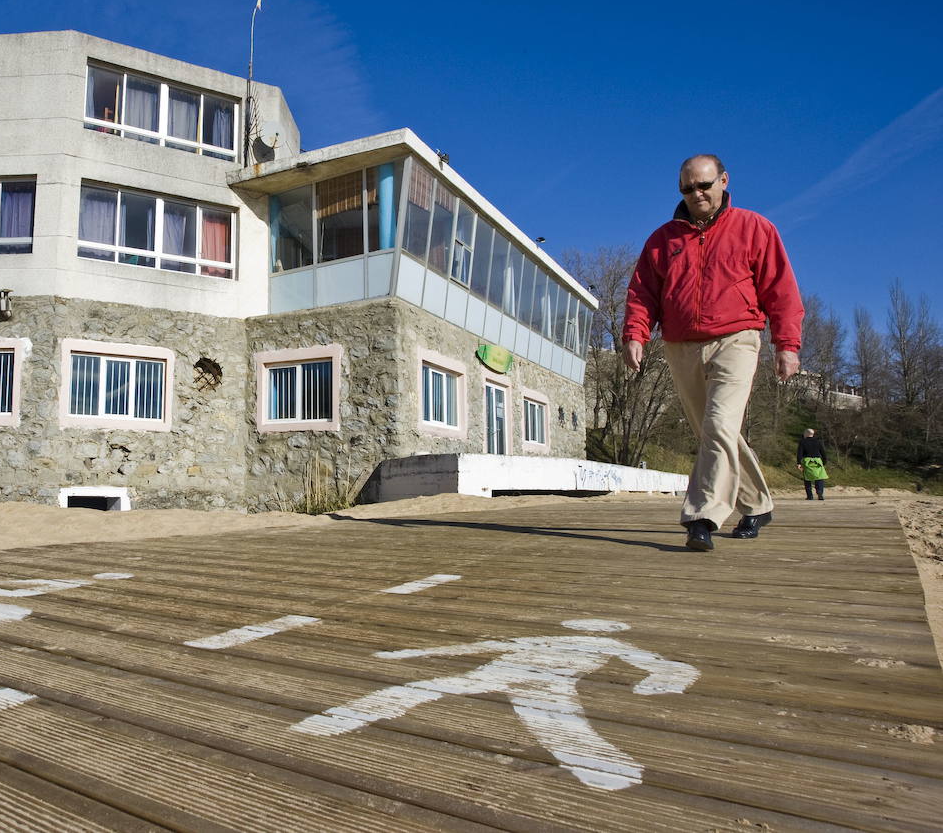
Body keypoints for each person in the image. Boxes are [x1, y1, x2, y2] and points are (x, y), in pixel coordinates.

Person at [623, 155, 804, 552]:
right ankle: (757, 504)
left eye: (704, 185)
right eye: (688, 188)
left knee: (720, 425)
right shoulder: (662, 240)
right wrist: (636, 334)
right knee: (713, 431)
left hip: (737, 338)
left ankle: (701, 516)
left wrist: (787, 345)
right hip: (680, 344)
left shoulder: (755, 228)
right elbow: (642, 293)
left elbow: (782, 290)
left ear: (723, 180)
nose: (697, 194)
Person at [290, 619, 698, 790]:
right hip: (499, 671)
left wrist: (657, 683)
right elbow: (481, 645)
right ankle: (337, 719)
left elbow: (657, 664)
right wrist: (406, 655)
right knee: (426, 687)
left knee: (560, 724)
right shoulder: (542, 641)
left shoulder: (607, 644)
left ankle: (610, 771)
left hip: (549, 681)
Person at [797, 427, 828, 500]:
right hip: (817, 461)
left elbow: (799, 453)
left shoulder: (802, 442)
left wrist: (799, 463)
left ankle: (809, 496)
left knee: (807, 479)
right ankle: (820, 492)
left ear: (807, 434)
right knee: (819, 477)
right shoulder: (818, 441)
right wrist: (824, 462)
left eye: (804, 433)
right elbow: (823, 452)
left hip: (807, 461)